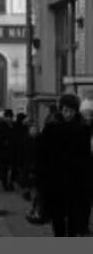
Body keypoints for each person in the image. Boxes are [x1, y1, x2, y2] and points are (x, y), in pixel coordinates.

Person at [37, 93, 93, 237]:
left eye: (71, 110)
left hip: (77, 182)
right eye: (65, 110)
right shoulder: (51, 129)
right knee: (58, 220)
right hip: (55, 182)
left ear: (76, 111)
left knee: (74, 220)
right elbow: (42, 156)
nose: (67, 114)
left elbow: (87, 157)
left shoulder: (84, 129)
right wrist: (41, 179)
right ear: (60, 110)